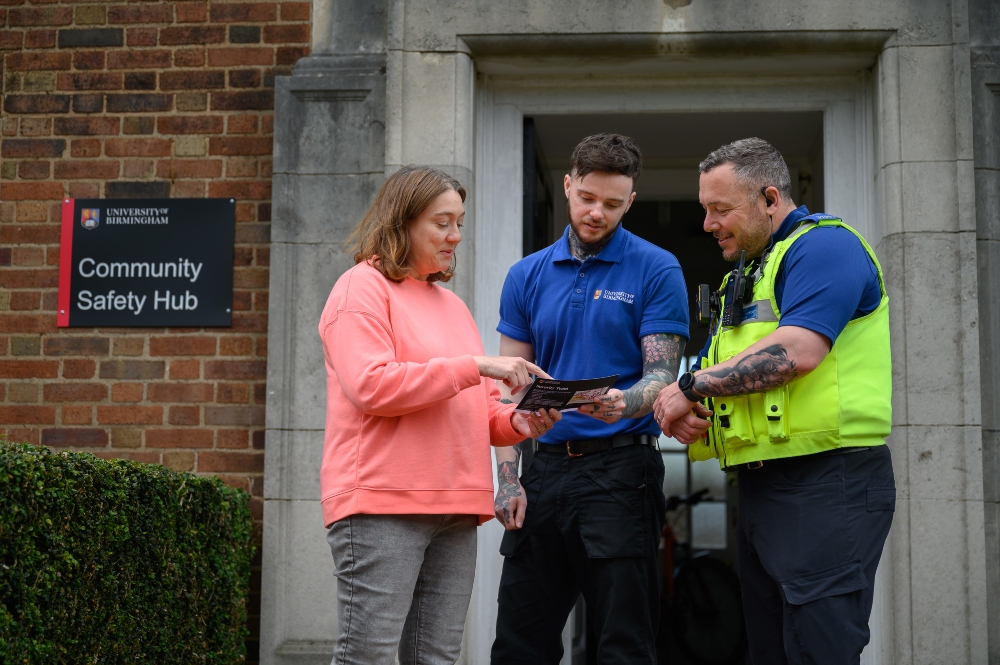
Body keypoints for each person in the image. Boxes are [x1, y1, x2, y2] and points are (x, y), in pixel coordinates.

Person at [653, 137, 895, 665]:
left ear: (769, 198)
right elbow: (740, 374)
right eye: (705, 210)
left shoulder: (824, 247)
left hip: (829, 483)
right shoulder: (749, 271)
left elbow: (800, 351)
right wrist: (702, 414)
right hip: (767, 488)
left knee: (818, 651)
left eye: (721, 209)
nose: (708, 224)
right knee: (772, 652)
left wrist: (692, 386)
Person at [318, 165, 562, 665]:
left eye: (460, 223)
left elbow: (480, 409)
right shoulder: (359, 288)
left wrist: (519, 421)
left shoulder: (452, 307)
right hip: (382, 502)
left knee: (437, 658)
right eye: (442, 222)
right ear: (402, 222)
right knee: (367, 655)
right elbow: (371, 385)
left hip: (455, 507)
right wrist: (475, 365)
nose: (455, 236)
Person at [490, 134, 690, 664]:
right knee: (518, 642)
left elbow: (662, 374)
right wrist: (507, 477)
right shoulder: (525, 274)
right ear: (567, 186)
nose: (596, 212)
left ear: (631, 201)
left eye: (612, 203)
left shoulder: (657, 268)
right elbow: (508, 390)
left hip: (622, 473)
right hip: (546, 470)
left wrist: (626, 402)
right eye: (586, 198)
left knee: (623, 644)